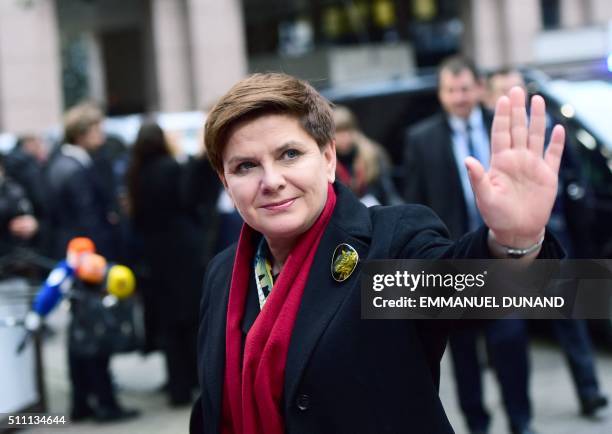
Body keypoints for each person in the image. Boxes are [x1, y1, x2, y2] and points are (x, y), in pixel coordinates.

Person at [189, 72, 565, 434]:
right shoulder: (222, 274)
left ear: (328, 158)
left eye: (289, 154)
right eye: (246, 166)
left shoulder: (384, 246)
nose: (271, 181)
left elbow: (467, 288)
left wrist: (515, 242)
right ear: (225, 181)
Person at [403, 56, 537, 434]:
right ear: (441, 94)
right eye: (450, 90)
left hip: (503, 259)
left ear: (478, 88)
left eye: (465, 88)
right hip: (453, 263)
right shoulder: (421, 139)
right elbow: (414, 203)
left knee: (510, 345)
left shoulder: (504, 129)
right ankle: (477, 424)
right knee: (462, 353)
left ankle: (521, 420)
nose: (459, 97)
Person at [485, 67, 608, 417]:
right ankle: (518, 412)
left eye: (518, 88)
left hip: (553, 237)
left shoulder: (548, 125)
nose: (514, 96)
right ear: (492, 96)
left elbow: (572, 174)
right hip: (500, 247)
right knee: (510, 328)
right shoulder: (484, 132)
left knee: (570, 314)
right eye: (505, 90)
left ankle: (589, 391)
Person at [126, 122, 205, 406]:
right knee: (192, 320)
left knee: (170, 324)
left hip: (155, 255)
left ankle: (177, 387)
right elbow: (188, 201)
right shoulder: (171, 168)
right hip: (182, 252)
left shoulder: (135, 174)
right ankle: (197, 379)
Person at [45, 102, 119, 260]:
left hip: (70, 248)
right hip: (84, 253)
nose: (102, 135)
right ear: (80, 134)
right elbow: (88, 218)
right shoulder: (75, 168)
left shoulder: (61, 162)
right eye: (97, 130)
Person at [332, 105, 403, 206]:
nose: (345, 137)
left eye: (348, 131)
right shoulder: (328, 161)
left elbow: (388, 193)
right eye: (339, 132)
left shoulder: (372, 154)